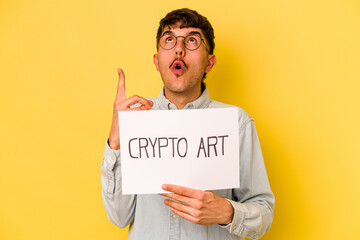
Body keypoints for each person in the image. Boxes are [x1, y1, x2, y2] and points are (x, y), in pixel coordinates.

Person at [101, 8, 275, 240]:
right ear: (157, 60)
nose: (179, 48)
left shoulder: (236, 124)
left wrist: (226, 212)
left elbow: (264, 211)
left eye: (192, 40)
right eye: (169, 39)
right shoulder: (135, 120)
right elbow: (118, 217)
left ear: (209, 63)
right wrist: (116, 142)